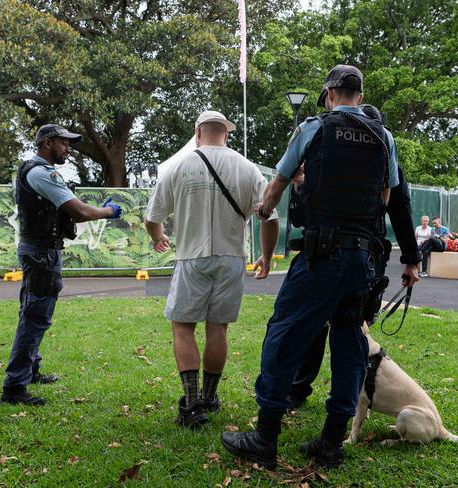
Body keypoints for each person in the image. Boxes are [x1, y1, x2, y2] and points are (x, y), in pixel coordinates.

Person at [221, 65, 419, 469]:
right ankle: (330, 443)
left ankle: (265, 438)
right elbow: (389, 198)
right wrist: (406, 255)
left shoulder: (314, 128)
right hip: (363, 260)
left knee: (284, 336)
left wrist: (265, 207)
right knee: (350, 347)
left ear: (330, 95)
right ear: (359, 97)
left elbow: (278, 180)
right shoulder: (385, 138)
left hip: (320, 255)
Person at [145, 110, 279, 429]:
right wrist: (267, 257)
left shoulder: (177, 167)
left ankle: (191, 404)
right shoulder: (247, 168)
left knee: (182, 326)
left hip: (191, 256)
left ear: (198, 132)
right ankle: (210, 396)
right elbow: (269, 218)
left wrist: (159, 237)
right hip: (231, 257)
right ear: (227, 134)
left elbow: (153, 218)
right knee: (217, 328)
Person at [285, 104, 422, 412]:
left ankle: (306, 391)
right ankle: (339, 401)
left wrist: (412, 258)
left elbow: (399, 208)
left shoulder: (337, 148)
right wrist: (412, 260)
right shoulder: (380, 154)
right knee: (349, 331)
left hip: (331, 255)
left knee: (329, 328)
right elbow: (401, 209)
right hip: (362, 259)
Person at [1, 124, 122, 406]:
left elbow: (68, 209)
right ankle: (14, 388)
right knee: (35, 317)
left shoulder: (33, 170)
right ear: (47, 143)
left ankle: (30, 371)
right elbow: (78, 211)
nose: (68, 148)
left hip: (39, 251)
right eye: (64, 143)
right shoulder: (42, 173)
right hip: (41, 254)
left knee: (31, 313)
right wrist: (108, 212)